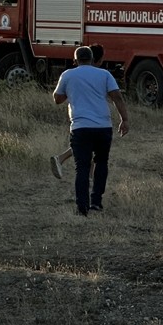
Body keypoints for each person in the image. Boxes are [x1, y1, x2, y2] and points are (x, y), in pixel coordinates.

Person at [53, 45, 129, 216]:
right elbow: (117, 96)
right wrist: (124, 119)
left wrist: (70, 93)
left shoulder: (68, 75)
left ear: (75, 60)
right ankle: (96, 202)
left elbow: (57, 99)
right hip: (103, 127)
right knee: (101, 162)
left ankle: (82, 207)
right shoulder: (104, 74)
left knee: (82, 167)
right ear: (93, 59)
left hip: (80, 127)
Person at [51, 44, 107, 179]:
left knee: (87, 146)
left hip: (76, 115)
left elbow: (58, 98)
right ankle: (61, 159)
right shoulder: (98, 75)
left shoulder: (72, 74)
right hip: (91, 117)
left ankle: (89, 176)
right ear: (96, 60)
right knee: (87, 145)